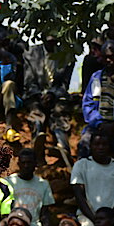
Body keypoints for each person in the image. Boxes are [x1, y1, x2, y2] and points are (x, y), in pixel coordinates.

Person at [80, 40, 114, 193]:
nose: (109, 60)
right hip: (97, 127)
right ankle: (82, 193)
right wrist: (98, 123)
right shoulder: (95, 77)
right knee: (84, 147)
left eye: (112, 56)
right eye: (106, 57)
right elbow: (87, 104)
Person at [23, 34, 75, 162]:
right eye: (49, 41)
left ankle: (63, 147)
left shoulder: (66, 56)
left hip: (57, 96)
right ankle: (37, 146)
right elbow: (29, 81)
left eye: (54, 41)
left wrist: (52, 94)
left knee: (59, 113)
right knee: (36, 114)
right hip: (36, 95)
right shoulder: (31, 53)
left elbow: (64, 84)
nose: (52, 44)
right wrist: (40, 95)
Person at [70, 131, 114, 226]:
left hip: (113, 217)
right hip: (88, 216)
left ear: (110, 146)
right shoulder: (81, 165)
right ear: (91, 146)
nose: (100, 147)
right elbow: (79, 197)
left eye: (104, 144)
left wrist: (110, 219)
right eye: (97, 144)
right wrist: (96, 220)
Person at [3, 148, 54, 226]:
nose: (26, 166)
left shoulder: (43, 184)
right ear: (18, 164)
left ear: (35, 164)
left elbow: (45, 212)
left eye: (29, 163)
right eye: (23, 163)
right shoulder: (9, 182)